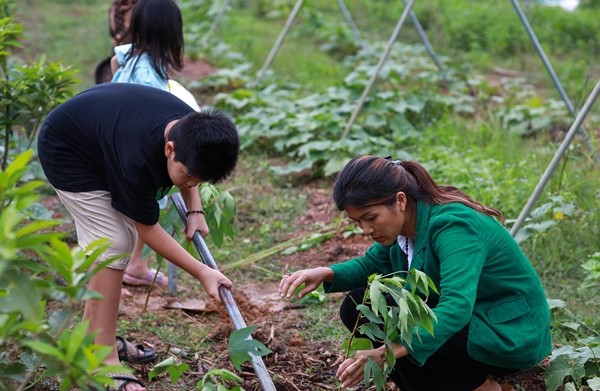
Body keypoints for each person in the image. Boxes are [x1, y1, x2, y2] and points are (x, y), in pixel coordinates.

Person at [279, 155, 552, 391]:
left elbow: (456, 306)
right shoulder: (405, 227)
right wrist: (323, 273)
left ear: (399, 200)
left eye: (370, 218)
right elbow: (368, 266)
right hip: (472, 322)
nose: (365, 229)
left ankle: (482, 386)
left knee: (406, 331)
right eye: (357, 221)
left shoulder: (452, 227)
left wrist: (390, 351)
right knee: (359, 305)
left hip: (506, 329)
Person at [37, 82, 240, 391]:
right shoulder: (139, 158)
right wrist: (202, 271)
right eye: (188, 176)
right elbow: (148, 228)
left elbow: (191, 168)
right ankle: (102, 358)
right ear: (169, 150)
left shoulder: (192, 129)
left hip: (102, 138)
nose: (192, 182)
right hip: (67, 150)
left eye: (200, 179)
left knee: (113, 241)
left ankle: (88, 339)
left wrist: (195, 210)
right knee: (113, 242)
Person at [110, 0, 201, 295]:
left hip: (116, 143)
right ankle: (121, 269)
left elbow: (114, 68)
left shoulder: (127, 56)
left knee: (122, 214)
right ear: (172, 33)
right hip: (135, 151)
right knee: (138, 211)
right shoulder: (152, 75)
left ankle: (124, 267)